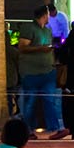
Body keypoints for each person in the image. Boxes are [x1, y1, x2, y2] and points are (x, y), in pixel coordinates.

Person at [17, 8, 65, 138]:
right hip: (31, 72)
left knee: (50, 100)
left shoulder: (47, 31)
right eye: (48, 14)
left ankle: (54, 128)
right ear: (45, 15)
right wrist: (41, 49)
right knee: (30, 101)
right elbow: (22, 47)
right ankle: (28, 129)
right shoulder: (29, 28)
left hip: (48, 71)